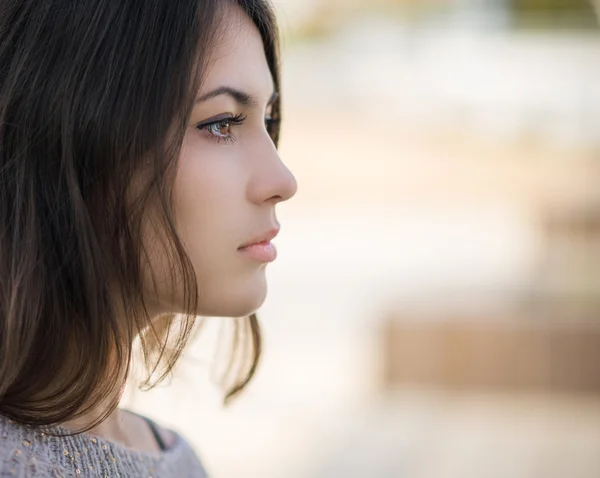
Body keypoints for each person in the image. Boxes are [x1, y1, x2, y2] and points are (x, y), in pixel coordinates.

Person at [0, 0, 297, 475]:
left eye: (269, 120)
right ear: (75, 138)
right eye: (220, 123)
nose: (282, 179)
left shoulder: (176, 460)